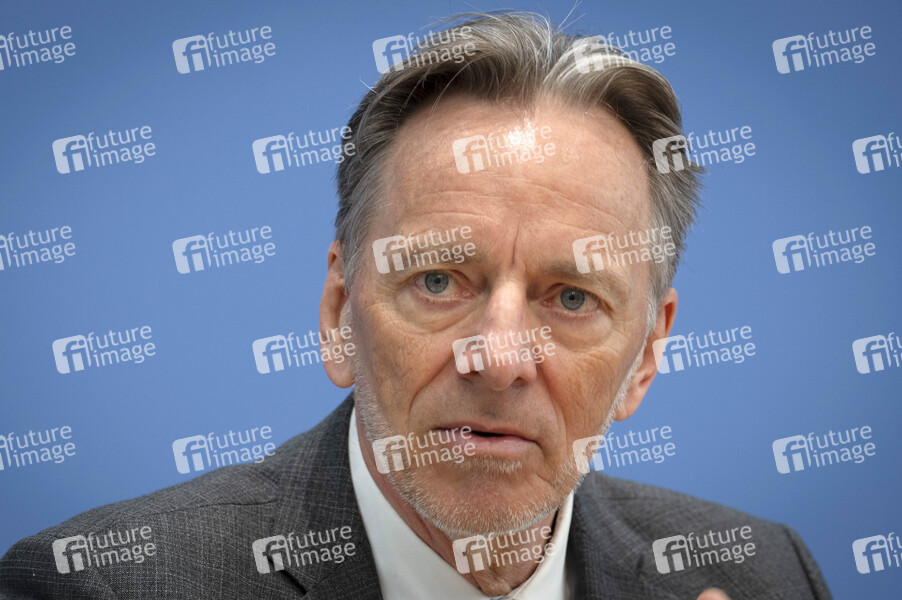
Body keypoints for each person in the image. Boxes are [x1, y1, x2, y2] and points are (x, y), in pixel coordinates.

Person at [0, 12, 832, 599]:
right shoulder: (106, 585)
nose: (498, 359)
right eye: (438, 281)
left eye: (573, 297)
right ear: (339, 316)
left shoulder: (764, 573)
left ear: (646, 355)